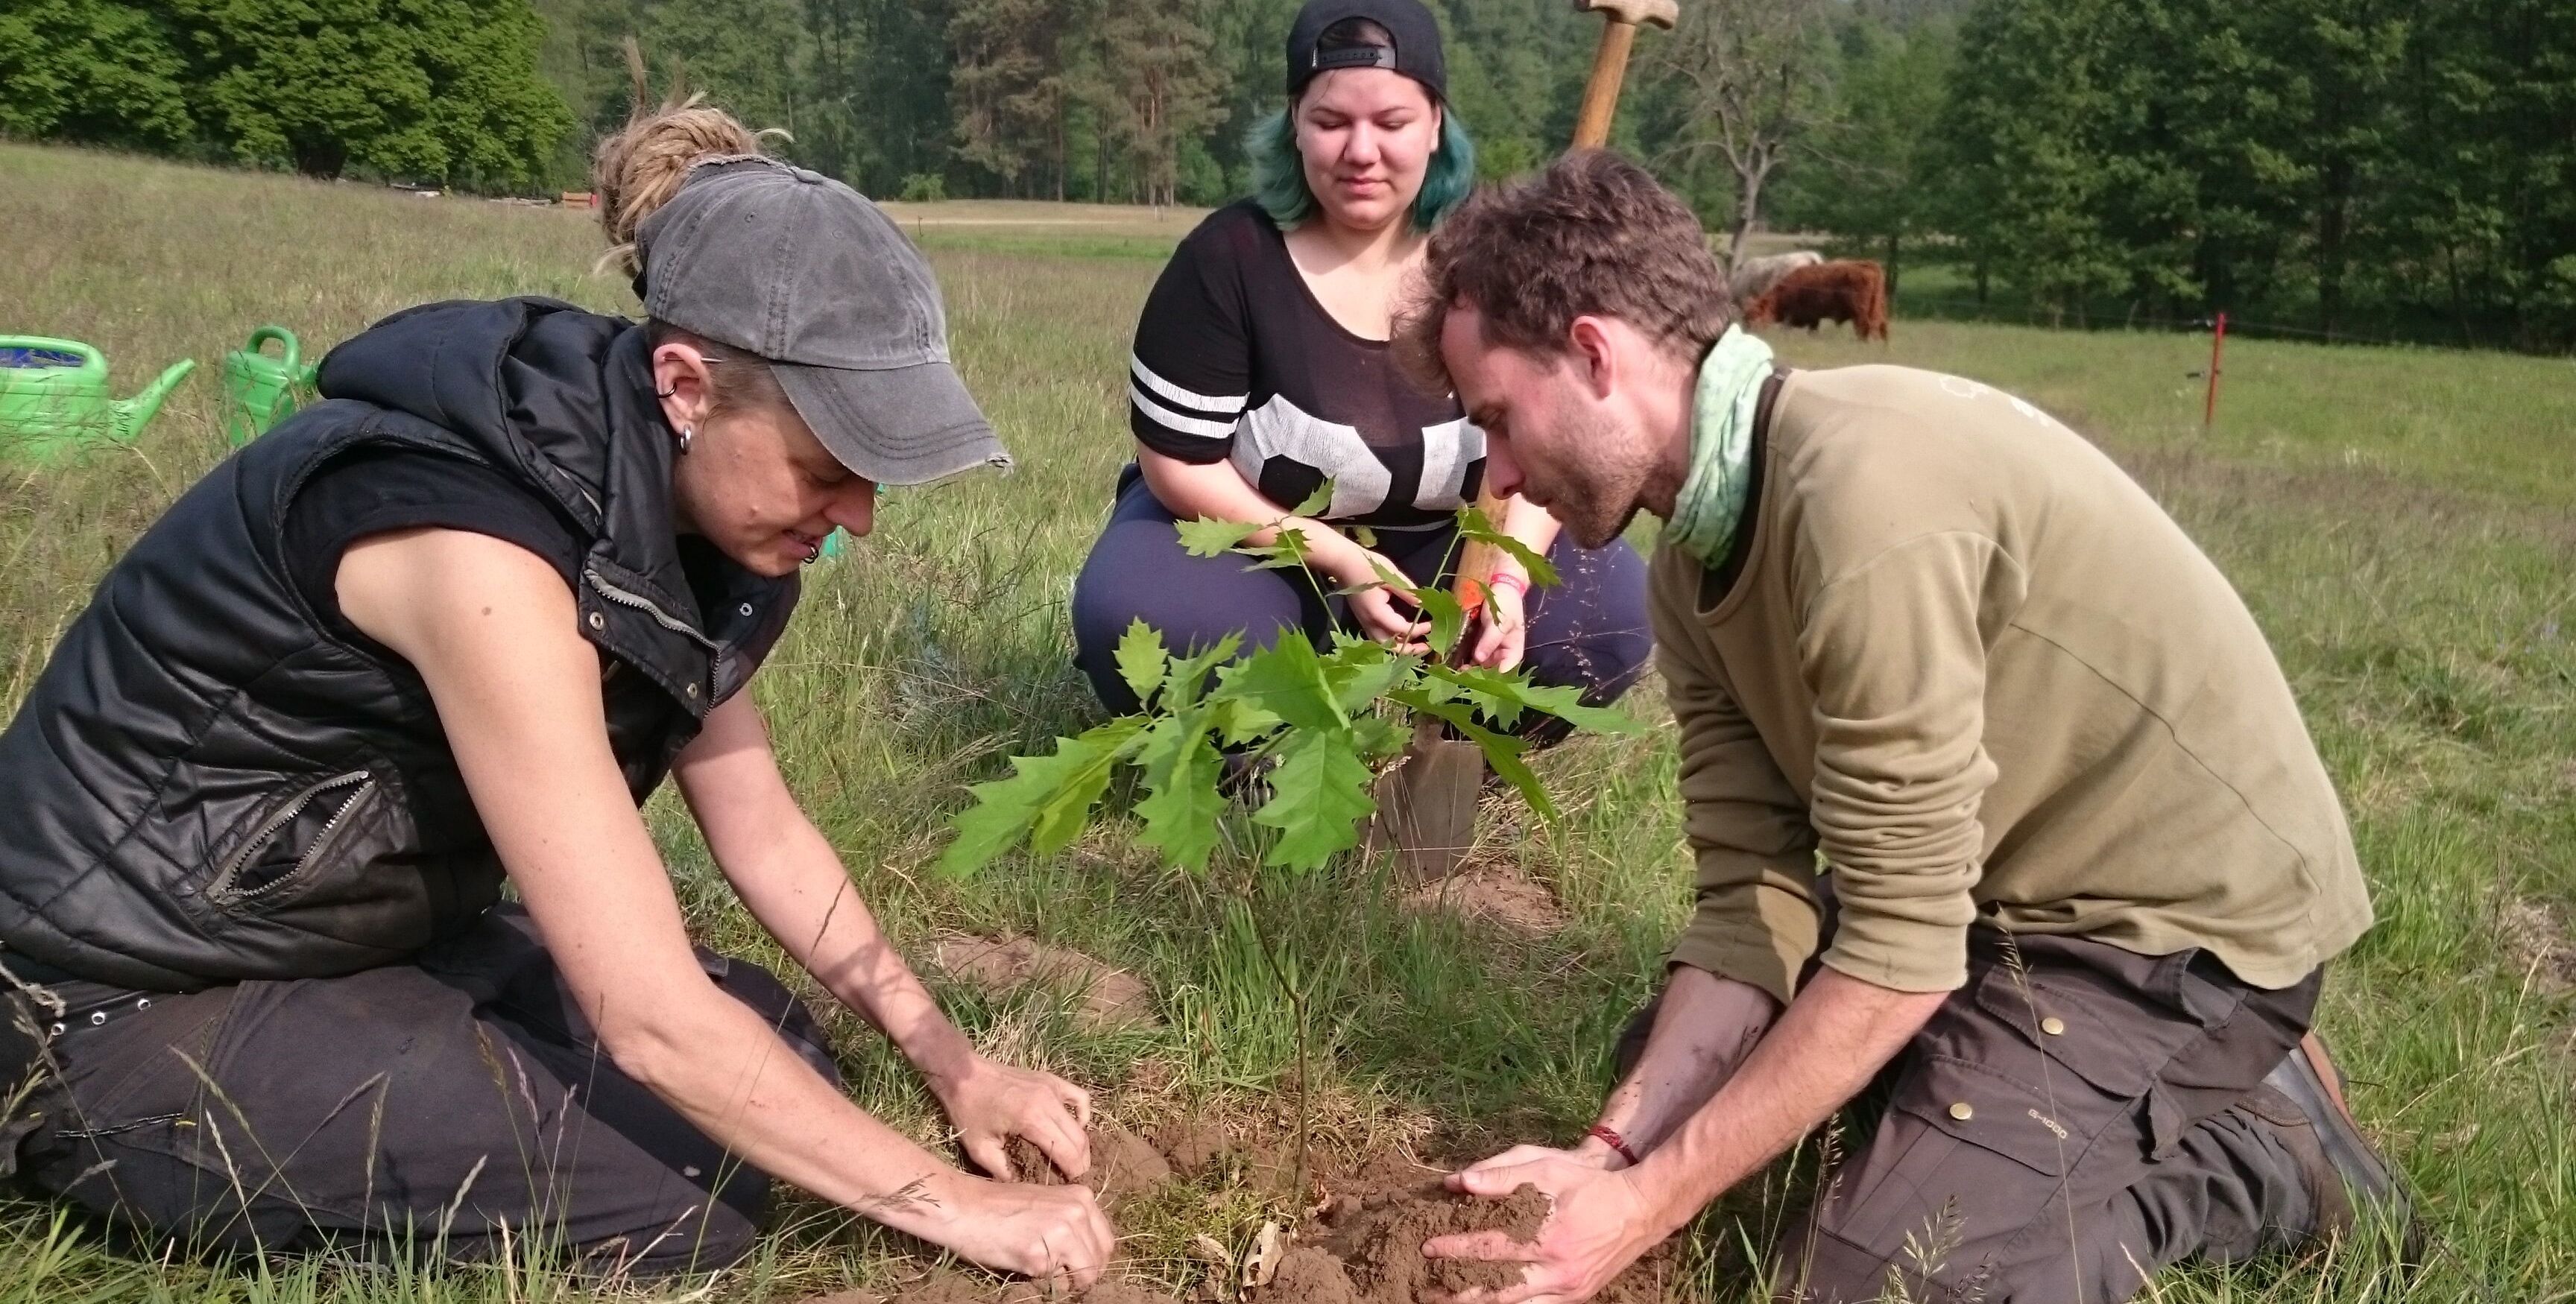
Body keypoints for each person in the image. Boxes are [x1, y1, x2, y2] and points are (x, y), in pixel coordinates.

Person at [0, 98, 1114, 1287]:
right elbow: (645, 1014)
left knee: (780, 1056)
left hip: (337, 940)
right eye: (830, 468)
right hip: (113, 989)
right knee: (679, 1201)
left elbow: (764, 826)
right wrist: (951, 1205)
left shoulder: (697, 523)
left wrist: (954, 1062)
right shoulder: (475, 543)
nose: (858, 517)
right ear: (686, 385)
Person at [1392, 151, 2414, 1303]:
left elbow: (1900, 944)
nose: (1506, 472)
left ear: (1593, 353)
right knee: (1681, 1084)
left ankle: (2257, 1154)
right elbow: (1751, 900)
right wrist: (1614, 1154)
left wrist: (1642, 1208)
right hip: (1988, 897)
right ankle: (2032, 1124)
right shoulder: (1694, 557)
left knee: (1877, 1277)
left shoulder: (1860, 493)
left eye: (1501, 420)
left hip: (2171, 932)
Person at [1070, 0, 1650, 724]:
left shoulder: (1501, 259)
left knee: (1609, 613)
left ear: (1436, 123)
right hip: (1257, 546)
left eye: (1392, 123)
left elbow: (1546, 444)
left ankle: (1458, 744)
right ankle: (1265, 755)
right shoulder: (1228, 261)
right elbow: (1180, 465)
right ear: (1294, 124)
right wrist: (1342, 561)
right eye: (1332, 122)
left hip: (1448, 544)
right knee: (1151, 615)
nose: (1361, 151)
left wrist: (1504, 571)